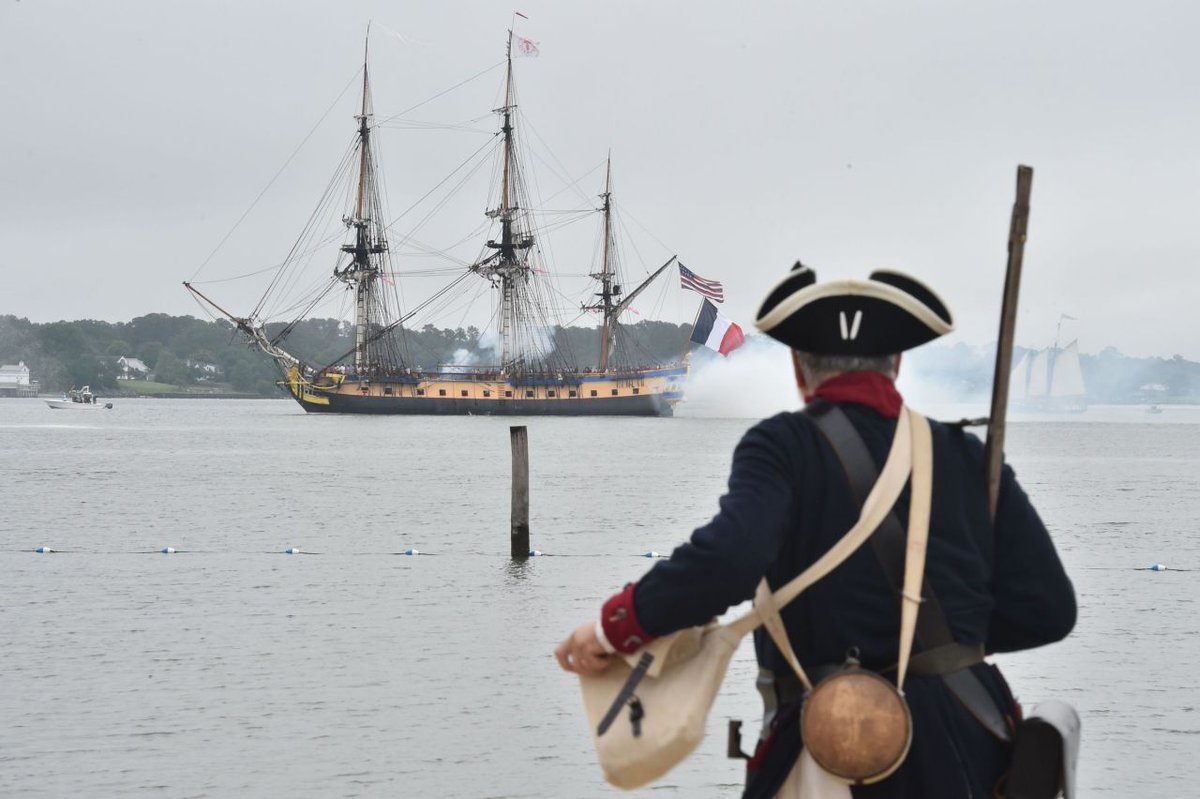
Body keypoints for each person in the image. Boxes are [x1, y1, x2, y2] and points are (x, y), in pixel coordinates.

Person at [555, 264, 1076, 798]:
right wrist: (948, 648)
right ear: (895, 365)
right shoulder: (968, 455)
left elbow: (731, 560)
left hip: (825, 747)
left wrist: (612, 629)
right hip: (969, 741)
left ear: (799, 370)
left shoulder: (783, 445)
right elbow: (1049, 611)